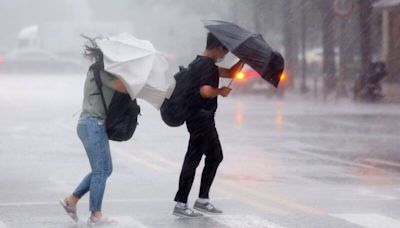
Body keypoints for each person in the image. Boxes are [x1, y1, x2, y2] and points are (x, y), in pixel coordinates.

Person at [173, 33, 243, 218]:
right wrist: (221, 91)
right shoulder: (206, 65)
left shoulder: (201, 63)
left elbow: (229, 73)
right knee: (194, 159)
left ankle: (202, 199)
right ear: (218, 48)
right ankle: (182, 203)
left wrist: (243, 60)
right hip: (200, 119)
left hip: (201, 118)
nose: (225, 54)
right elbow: (205, 91)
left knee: (214, 156)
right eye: (225, 50)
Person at [60, 38, 128, 226]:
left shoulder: (99, 69)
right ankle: (95, 215)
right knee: (101, 170)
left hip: (92, 124)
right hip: (92, 124)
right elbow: (123, 88)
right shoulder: (102, 70)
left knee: (106, 169)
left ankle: (71, 201)